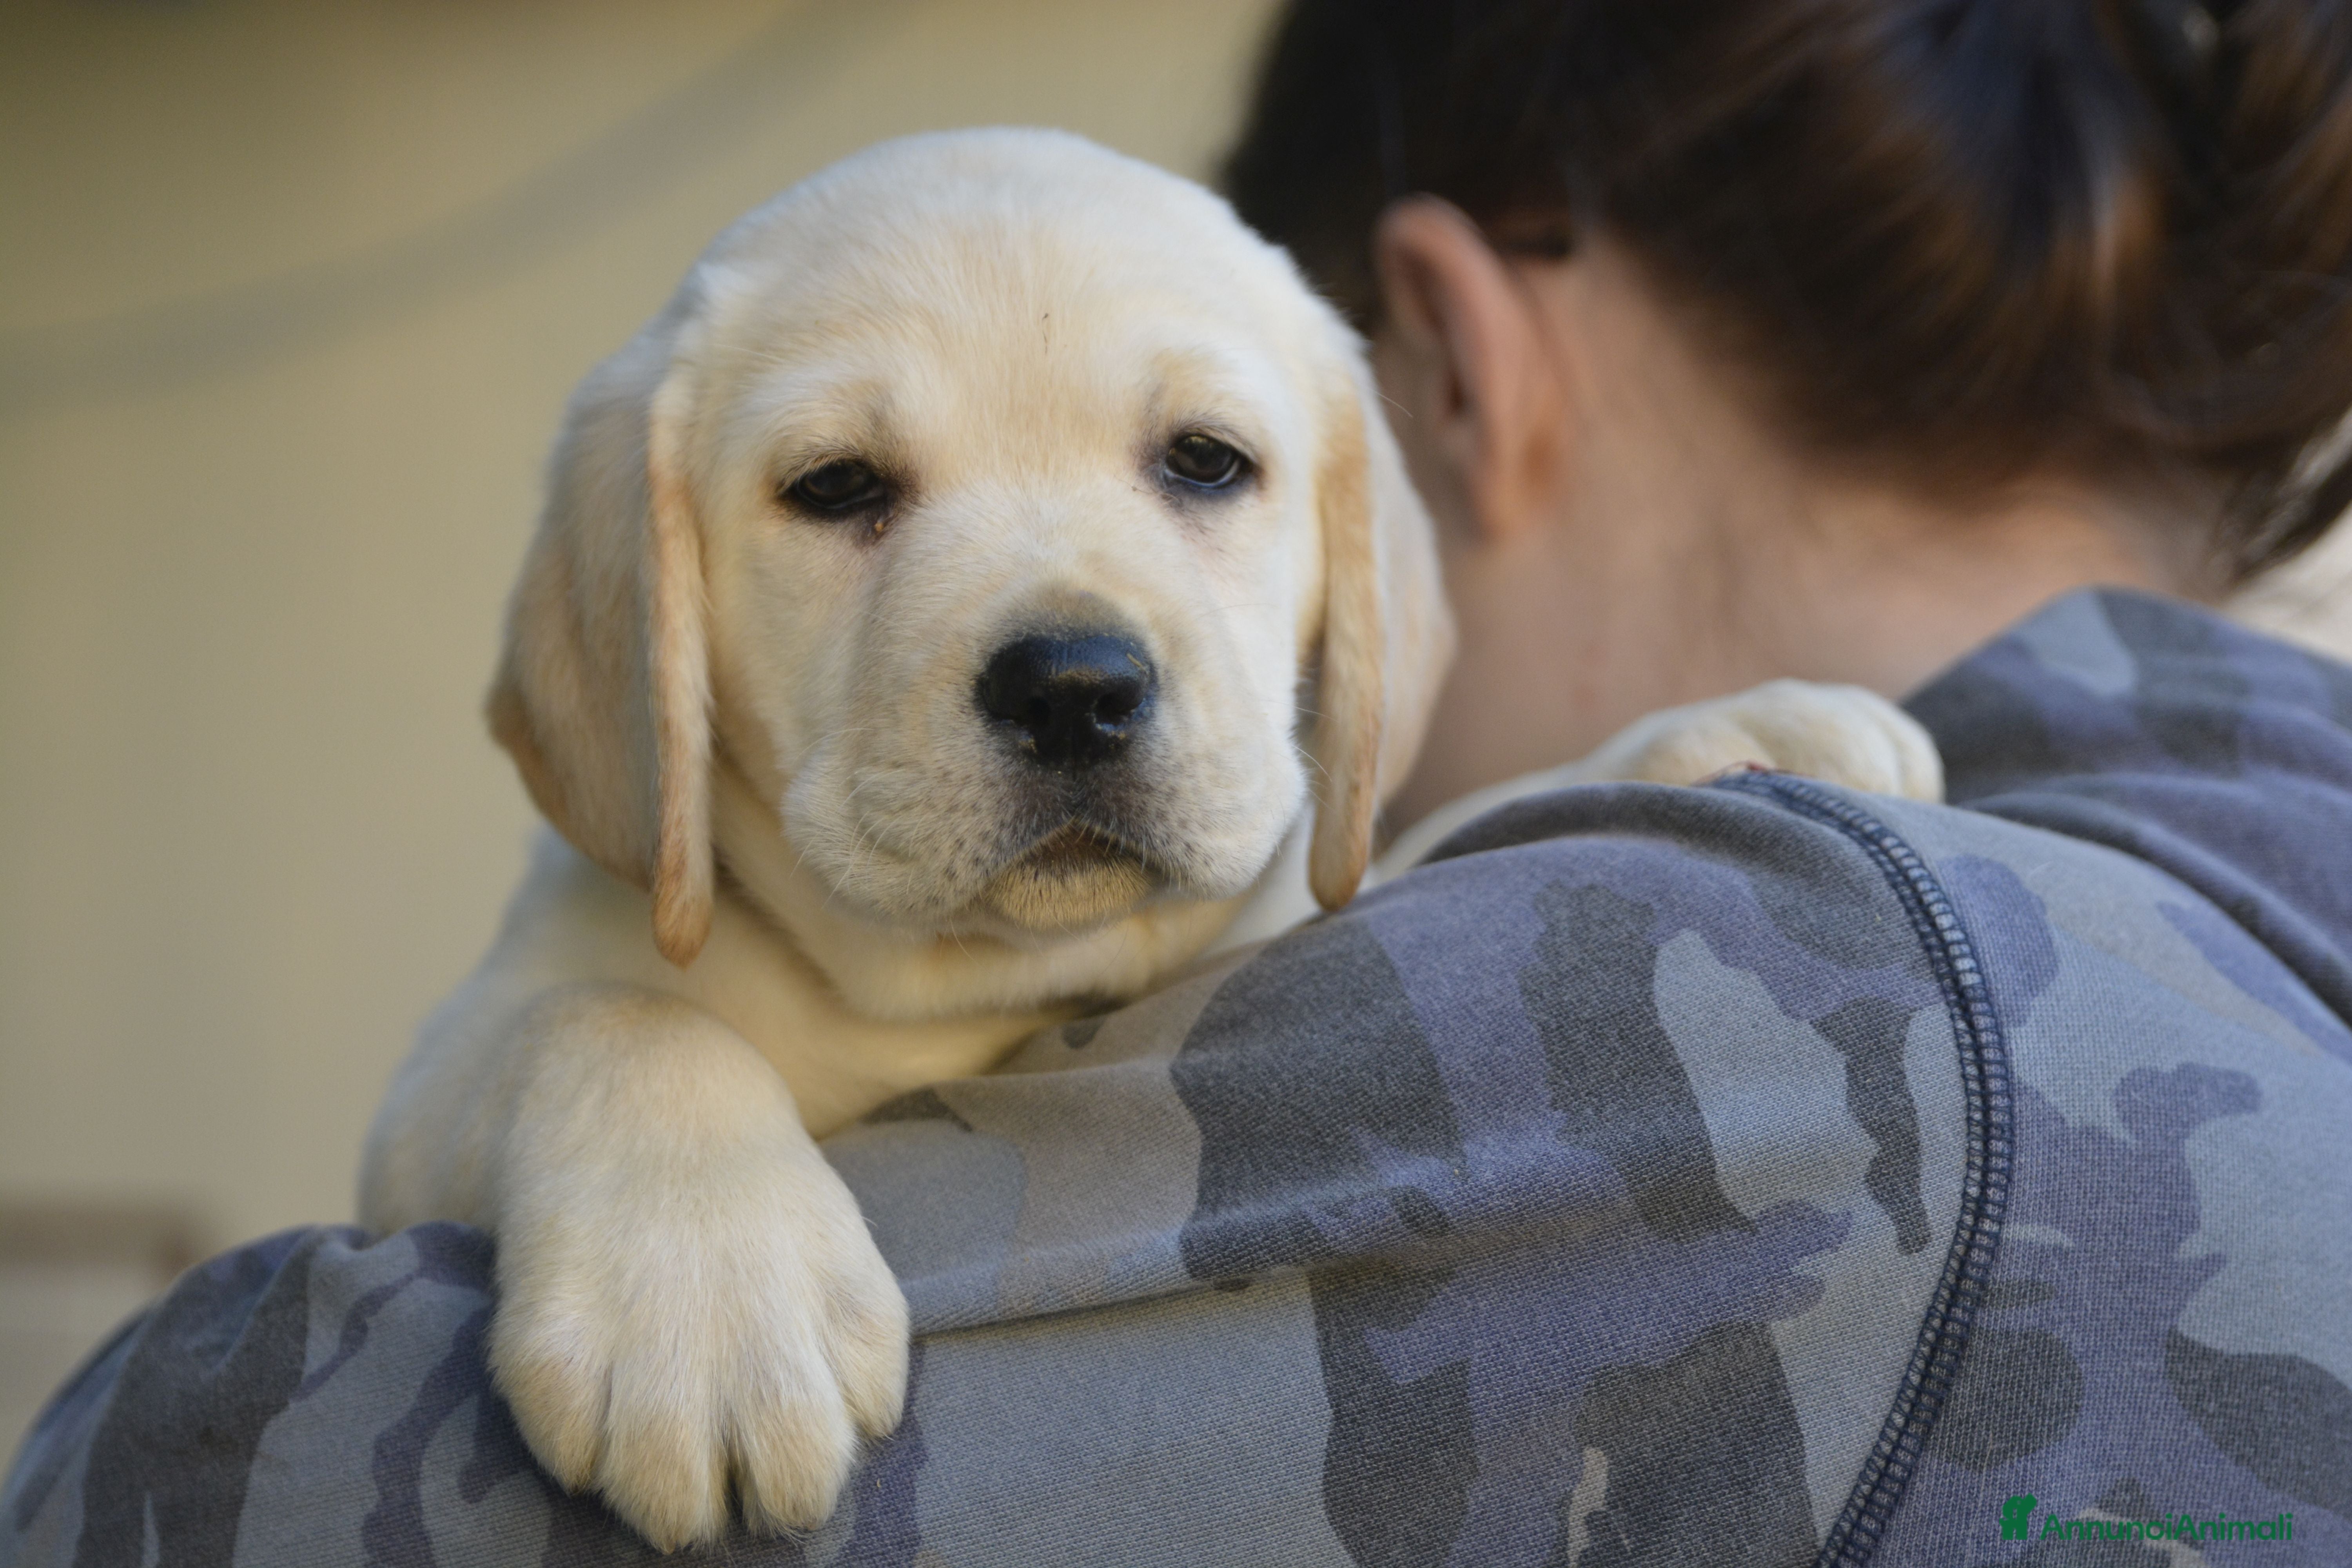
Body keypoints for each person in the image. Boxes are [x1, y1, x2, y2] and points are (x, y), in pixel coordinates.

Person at [7, 1, 2350, 1563]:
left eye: (1199, 461)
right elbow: (477, 1097)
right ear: (646, 642)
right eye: (844, 490)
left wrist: (1545, 821)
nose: (1065, 640)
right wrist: (628, 1092)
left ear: (1406, 454)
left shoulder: (1799, 1003)